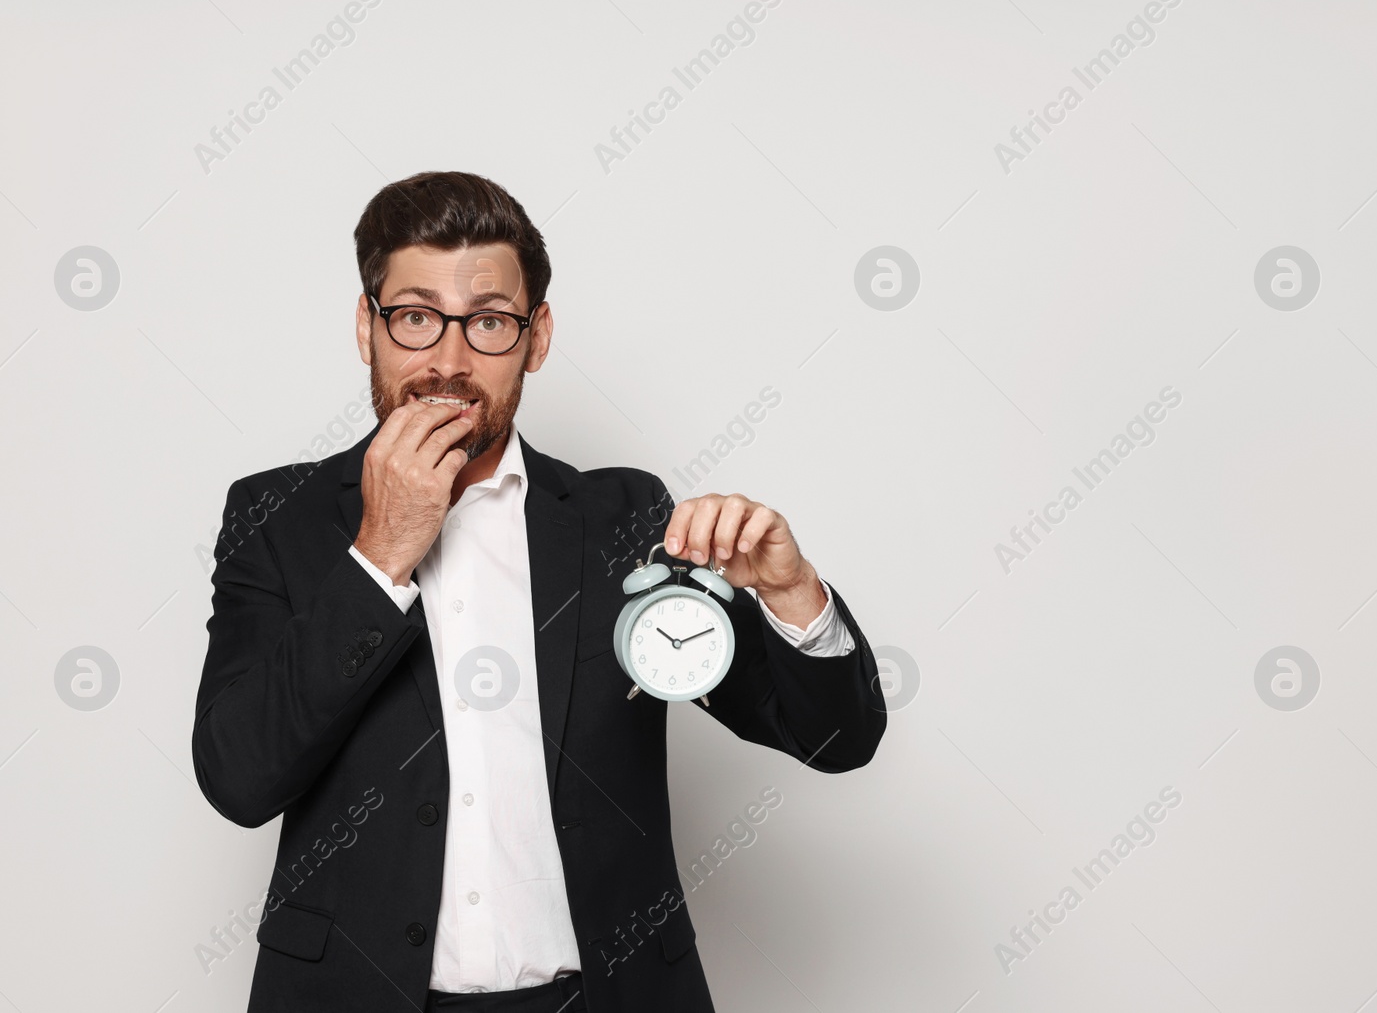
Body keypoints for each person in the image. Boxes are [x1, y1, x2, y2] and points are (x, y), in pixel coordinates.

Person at [191, 171, 886, 1012]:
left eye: (487, 321)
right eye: (414, 317)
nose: (447, 361)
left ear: (537, 335)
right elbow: (238, 778)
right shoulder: (277, 517)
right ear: (366, 327)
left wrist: (792, 591)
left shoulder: (624, 519)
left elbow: (835, 739)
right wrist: (381, 554)